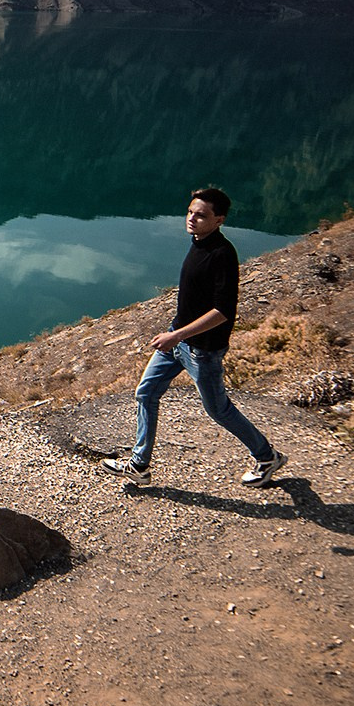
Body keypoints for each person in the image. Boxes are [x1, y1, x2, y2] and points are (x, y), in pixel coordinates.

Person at [101, 187, 287, 487]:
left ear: (219, 220)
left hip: (203, 349)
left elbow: (223, 311)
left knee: (218, 410)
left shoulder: (222, 254)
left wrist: (179, 336)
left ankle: (267, 457)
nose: (192, 219)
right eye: (190, 212)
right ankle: (139, 464)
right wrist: (176, 332)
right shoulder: (198, 242)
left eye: (201, 215)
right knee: (146, 393)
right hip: (178, 338)